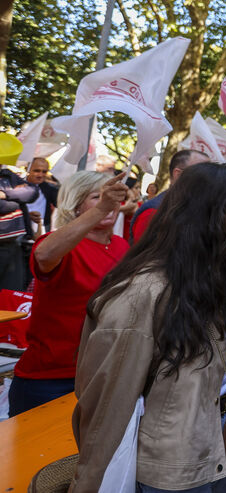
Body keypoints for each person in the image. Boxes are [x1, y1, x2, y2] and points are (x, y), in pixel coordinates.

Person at [71, 163, 226, 492]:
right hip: (171, 464)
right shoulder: (143, 292)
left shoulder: (224, 276)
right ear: (209, 212)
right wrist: (90, 480)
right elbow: (104, 402)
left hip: (225, 441)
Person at [7, 171, 129, 415]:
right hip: (49, 380)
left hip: (101, 376)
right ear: (76, 205)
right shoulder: (56, 243)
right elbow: (44, 256)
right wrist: (100, 210)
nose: (109, 203)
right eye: (97, 197)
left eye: (112, 197)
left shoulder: (121, 246)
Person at [130, 149, 209, 242]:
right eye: (202, 172)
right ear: (178, 174)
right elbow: (145, 254)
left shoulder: (197, 207)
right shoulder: (153, 212)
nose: (209, 178)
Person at [0, 160, 39, 291]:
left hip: (13, 244)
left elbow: (32, 192)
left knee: (11, 291)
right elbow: (6, 205)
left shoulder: (7, 175)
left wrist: (5, 194)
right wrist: (15, 202)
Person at [25, 157, 59, 233]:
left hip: (41, 230)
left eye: (44, 172)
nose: (40, 175)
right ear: (28, 169)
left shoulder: (50, 188)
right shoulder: (16, 185)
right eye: (37, 171)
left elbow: (62, 204)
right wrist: (26, 215)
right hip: (20, 229)